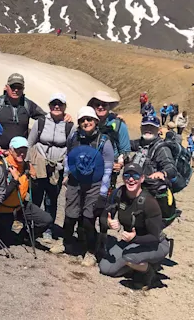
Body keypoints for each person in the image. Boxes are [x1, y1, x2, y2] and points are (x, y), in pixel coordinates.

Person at [48, 106, 114, 266]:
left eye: (89, 119)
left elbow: (108, 168)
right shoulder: (74, 137)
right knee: (70, 215)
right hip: (75, 181)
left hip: (94, 184)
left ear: (96, 121)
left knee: (88, 219)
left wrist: (103, 192)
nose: (86, 122)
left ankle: (90, 251)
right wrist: (65, 175)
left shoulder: (104, 141)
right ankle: (66, 242)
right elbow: (69, 156)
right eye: (83, 120)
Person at [99, 164, 171, 289]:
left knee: (130, 257)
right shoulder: (119, 194)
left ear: (142, 179)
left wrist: (134, 238)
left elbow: (154, 236)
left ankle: (150, 273)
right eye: (127, 175)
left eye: (135, 176)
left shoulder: (149, 203)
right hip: (131, 242)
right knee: (105, 268)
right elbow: (103, 217)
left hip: (156, 243)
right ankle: (136, 267)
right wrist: (108, 223)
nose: (131, 179)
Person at [26, 93, 74, 241]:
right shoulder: (40, 122)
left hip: (57, 168)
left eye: (60, 104)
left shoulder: (69, 126)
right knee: (36, 196)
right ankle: (32, 227)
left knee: (52, 199)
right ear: (49, 106)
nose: (57, 106)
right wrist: (29, 165)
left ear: (65, 107)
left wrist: (66, 170)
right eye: (54, 104)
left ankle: (48, 229)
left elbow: (71, 149)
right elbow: (30, 143)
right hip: (39, 165)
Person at [0, 137, 53, 243]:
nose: (22, 153)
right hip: (2, 209)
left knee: (46, 220)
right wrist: (14, 181)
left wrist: (34, 179)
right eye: (18, 150)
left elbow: (33, 191)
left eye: (24, 150)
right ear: (11, 150)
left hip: (19, 206)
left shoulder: (26, 166)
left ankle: (25, 236)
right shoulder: (1, 166)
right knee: (4, 241)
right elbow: (0, 195)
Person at [0, 73, 46, 150]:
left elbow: (45, 117)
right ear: (6, 87)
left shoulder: (28, 104)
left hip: (20, 153)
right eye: (13, 87)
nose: (16, 90)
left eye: (19, 87)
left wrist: (64, 116)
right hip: (0, 151)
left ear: (23, 89)